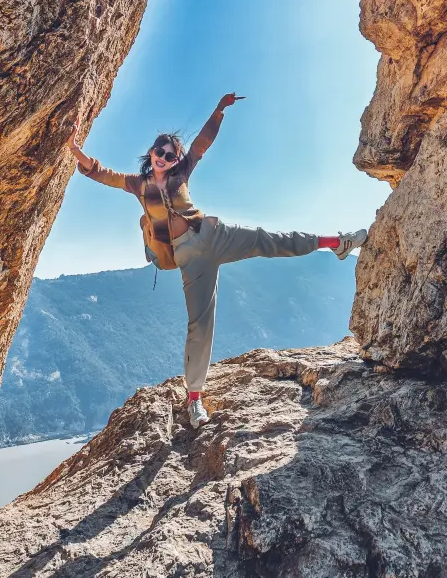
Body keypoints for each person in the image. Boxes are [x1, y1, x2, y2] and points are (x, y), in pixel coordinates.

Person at [66, 94, 367, 429]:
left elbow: (202, 144)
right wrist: (74, 147)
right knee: (200, 324)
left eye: (170, 154)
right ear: (150, 153)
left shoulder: (182, 173)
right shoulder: (138, 185)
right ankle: (194, 400)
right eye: (159, 152)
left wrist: (218, 111)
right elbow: (100, 172)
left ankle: (338, 243)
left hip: (214, 234)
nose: (164, 157)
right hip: (190, 256)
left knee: (272, 239)